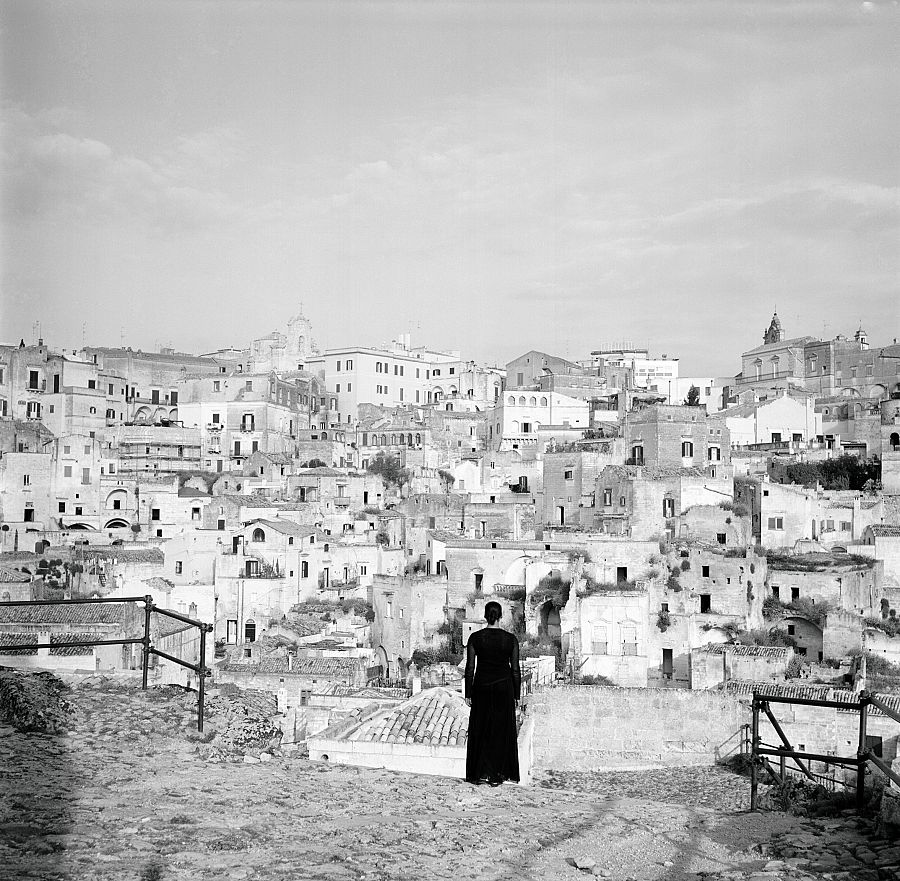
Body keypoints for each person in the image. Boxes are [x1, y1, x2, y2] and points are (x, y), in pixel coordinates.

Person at [464, 600, 521, 786]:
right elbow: (515, 670)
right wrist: (517, 695)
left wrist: (468, 692)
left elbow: (470, 667)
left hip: (481, 687)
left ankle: (479, 774)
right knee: (500, 731)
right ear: (501, 616)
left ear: (485, 616)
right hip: (504, 688)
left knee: (481, 730)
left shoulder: (475, 638)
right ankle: (497, 775)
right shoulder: (511, 640)